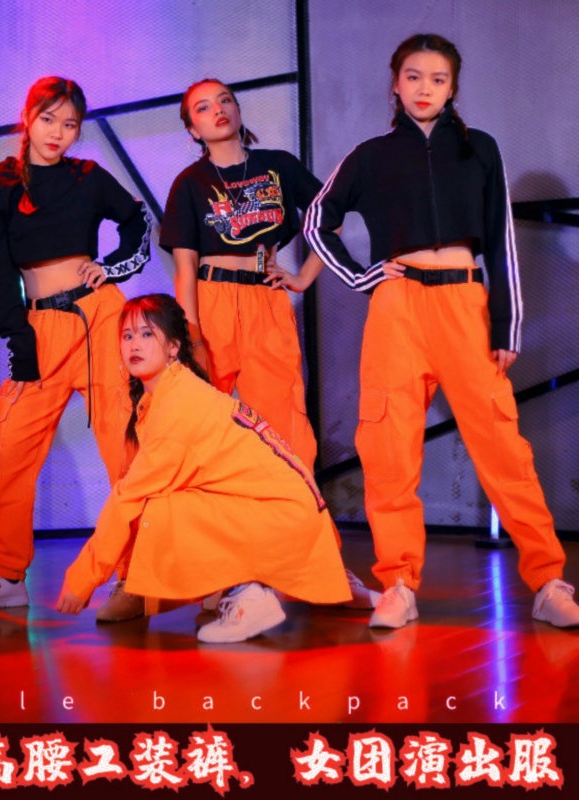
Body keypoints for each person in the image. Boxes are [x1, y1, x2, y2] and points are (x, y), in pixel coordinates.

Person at [304, 33, 579, 629]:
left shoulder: (479, 149)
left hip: (464, 305)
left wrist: (506, 323)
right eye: (413, 76)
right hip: (396, 307)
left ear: (453, 88)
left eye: (437, 79)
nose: (424, 88)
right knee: (388, 451)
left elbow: (501, 239)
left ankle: (549, 582)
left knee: (503, 448)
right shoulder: (371, 155)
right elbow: (316, 220)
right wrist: (362, 277)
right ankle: (398, 585)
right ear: (395, 83)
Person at [158, 77, 378, 610]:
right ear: (192, 128)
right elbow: (184, 269)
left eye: (225, 100)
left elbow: (329, 220)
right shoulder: (189, 182)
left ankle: (322, 566)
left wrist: (302, 277)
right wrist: (191, 336)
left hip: (266, 301)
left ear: (237, 110)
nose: (218, 110)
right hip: (209, 305)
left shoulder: (277, 166)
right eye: (203, 108)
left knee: (290, 440)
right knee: (208, 441)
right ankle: (221, 577)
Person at [57, 294, 352, 642]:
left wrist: (82, 579)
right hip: (284, 514)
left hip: (285, 519)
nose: (134, 344)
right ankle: (235, 589)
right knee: (172, 498)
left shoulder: (179, 404)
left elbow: (128, 497)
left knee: (160, 509)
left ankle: (247, 597)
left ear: (173, 348)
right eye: (128, 335)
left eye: (147, 334)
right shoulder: (172, 392)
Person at [0, 77, 151, 613]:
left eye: (70, 124)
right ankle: (10, 576)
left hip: (100, 319)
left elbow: (137, 224)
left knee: (125, 448)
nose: (57, 132)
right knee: (3, 450)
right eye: (48, 119)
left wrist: (112, 267)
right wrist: (16, 332)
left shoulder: (88, 176)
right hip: (39, 329)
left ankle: (135, 578)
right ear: (27, 118)